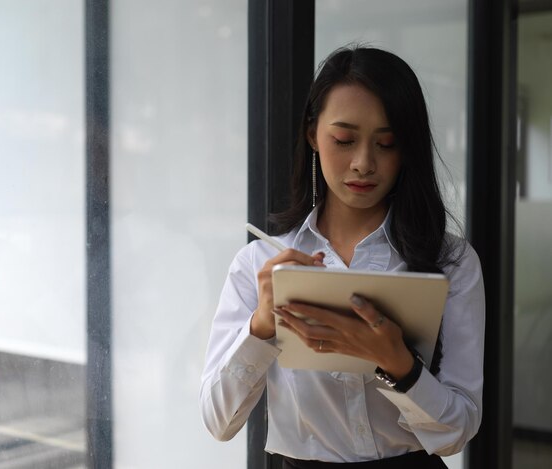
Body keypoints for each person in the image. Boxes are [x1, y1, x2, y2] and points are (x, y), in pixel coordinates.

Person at [199, 46, 485, 468]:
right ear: (313, 134)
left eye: (386, 144)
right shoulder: (259, 263)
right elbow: (217, 421)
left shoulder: (451, 263)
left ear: (407, 149)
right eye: (344, 140)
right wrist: (261, 326)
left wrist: (398, 365)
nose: (364, 163)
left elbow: (457, 432)